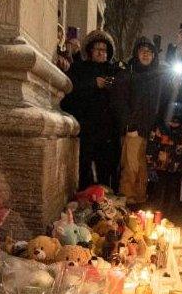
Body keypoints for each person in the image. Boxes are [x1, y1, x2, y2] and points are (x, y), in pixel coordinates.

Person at [62, 29, 122, 193]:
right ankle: (85, 201)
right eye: (98, 49)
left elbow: (123, 96)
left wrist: (113, 87)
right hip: (87, 129)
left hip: (108, 133)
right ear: (90, 50)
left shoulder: (115, 70)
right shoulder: (80, 69)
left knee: (107, 172)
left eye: (104, 50)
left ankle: (107, 206)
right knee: (85, 171)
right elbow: (71, 91)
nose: (101, 53)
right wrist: (93, 84)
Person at [112, 36, 167, 205]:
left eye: (150, 52)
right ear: (136, 53)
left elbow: (161, 104)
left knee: (143, 169)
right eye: (143, 51)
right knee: (131, 168)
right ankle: (128, 202)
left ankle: (140, 202)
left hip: (150, 131)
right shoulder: (127, 74)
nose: (146, 55)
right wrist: (129, 125)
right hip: (133, 130)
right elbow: (119, 102)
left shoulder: (157, 78)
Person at [146, 102, 182, 214]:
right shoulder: (159, 129)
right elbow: (151, 147)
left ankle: (170, 218)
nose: (174, 124)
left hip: (176, 170)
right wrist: (150, 166)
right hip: (160, 169)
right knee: (158, 195)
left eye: (177, 122)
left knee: (172, 196)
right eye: (172, 121)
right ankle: (155, 217)